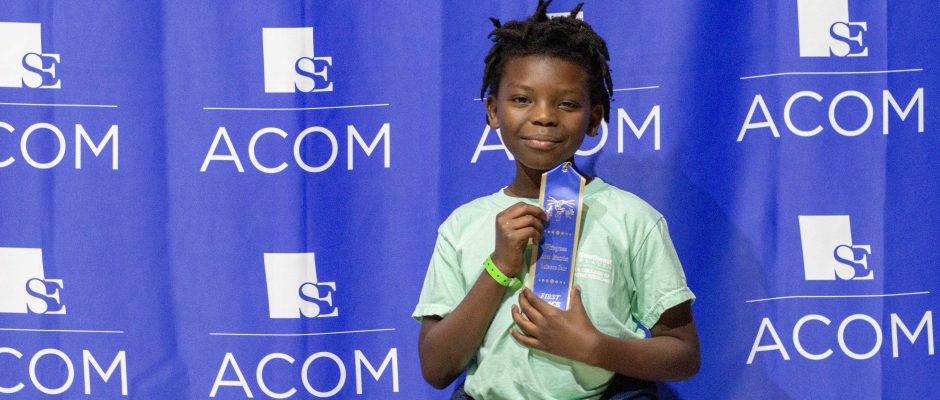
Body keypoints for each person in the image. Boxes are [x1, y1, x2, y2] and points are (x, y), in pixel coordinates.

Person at [413, 2, 699, 398]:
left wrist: (593, 347)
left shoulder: (633, 219)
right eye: (522, 99)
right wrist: (499, 267)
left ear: (594, 119)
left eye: (567, 104)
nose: (544, 116)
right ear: (493, 111)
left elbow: (684, 354)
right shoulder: (462, 226)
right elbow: (436, 368)